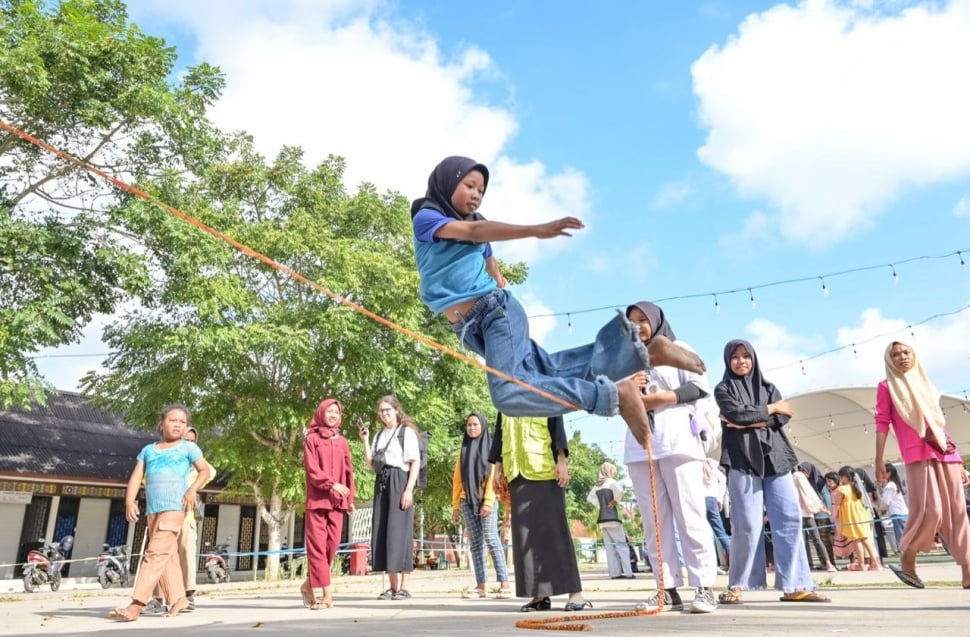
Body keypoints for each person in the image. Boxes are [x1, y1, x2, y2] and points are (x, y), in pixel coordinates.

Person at [410, 156, 705, 448]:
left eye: (481, 190)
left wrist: (534, 232)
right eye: (470, 186)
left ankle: (612, 396)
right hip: (472, 327)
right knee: (549, 371)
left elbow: (479, 238)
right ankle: (645, 352)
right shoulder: (427, 217)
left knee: (509, 395)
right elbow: (484, 252)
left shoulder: (475, 224)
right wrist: (496, 275)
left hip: (494, 313)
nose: (476, 195)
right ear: (447, 182)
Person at [713, 339, 829, 604]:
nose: (741, 361)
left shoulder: (769, 387)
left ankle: (796, 585)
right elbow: (736, 413)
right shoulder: (723, 389)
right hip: (742, 460)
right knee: (747, 524)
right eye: (735, 357)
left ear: (754, 358)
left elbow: (782, 417)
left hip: (776, 459)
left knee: (789, 518)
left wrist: (749, 418)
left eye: (746, 356)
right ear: (727, 361)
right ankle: (738, 584)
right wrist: (769, 410)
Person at [622, 301, 718, 613]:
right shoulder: (624, 357)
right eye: (631, 322)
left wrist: (660, 398)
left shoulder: (677, 347)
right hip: (640, 446)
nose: (637, 326)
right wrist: (627, 388)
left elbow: (699, 388)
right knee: (654, 522)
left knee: (689, 515)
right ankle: (666, 588)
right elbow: (612, 402)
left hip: (676, 439)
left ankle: (704, 586)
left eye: (642, 319)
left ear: (656, 320)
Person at [874, 340, 970, 589]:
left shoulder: (926, 384)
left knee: (958, 512)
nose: (902, 357)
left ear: (914, 355)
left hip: (945, 453)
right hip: (916, 456)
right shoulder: (886, 387)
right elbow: (882, 423)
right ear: (889, 360)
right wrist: (878, 460)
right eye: (895, 354)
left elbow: (939, 424)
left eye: (906, 352)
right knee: (931, 511)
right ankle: (908, 556)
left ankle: (968, 570)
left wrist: (958, 461)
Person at [111, 405, 210, 622]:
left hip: (176, 507)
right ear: (161, 424)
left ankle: (137, 604)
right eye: (173, 420)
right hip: (152, 510)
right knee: (167, 556)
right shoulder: (148, 450)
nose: (177, 424)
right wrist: (130, 500)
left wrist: (193, 489)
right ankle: (178, 598)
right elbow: (137, 478)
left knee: (154, 554)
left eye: (182, 422)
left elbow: (205, 470)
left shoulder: (188, 449)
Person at [489, 413, 590, 612]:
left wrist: (562, 461)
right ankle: (539, 595)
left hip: (545, 471)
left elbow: (557, 429)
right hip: (517, 473)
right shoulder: (505, 400)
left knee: (555, 531)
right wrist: (497, 469)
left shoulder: (544, 391)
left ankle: (575, 592)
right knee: (526, 537)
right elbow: (499, 436)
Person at [143, 426, 216, 615]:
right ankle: (157, 598)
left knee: (185, 554)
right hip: (163, 514)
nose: (189, 444)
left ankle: (187, 595)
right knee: (160, 556)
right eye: (186, 440)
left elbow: (209, 471)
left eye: (193, 442)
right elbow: (147, 479)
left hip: (186, 516)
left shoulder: (195, 467)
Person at [358, 395, 420, 600]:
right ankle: (392, 587)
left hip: (399, 480)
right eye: (381, 411)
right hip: (382, 482)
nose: (384, 414)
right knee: (383, 531)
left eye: (388, 410)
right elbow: (370, 464)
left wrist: (409, 489)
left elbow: (415, 462)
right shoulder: (378, 435)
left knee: (400, 532)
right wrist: (366, 440)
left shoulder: (406, 432)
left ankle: (404, 586)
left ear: (396, 410)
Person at [301, 399, 355, 610]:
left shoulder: (342, 441)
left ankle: (307, 585)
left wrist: (349, 499)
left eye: (336, 412)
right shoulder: (311, 439)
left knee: (330, 548)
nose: (333, 415)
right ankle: (326, 596)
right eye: (329, 411)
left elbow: (349, 471)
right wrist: (332, 484)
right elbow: (312, 470)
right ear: (321, 413)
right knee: (317, 549)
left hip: (337, 502)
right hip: (317, 501)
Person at [451, 412, 511, 599]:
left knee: (492, 539)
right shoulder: (463, 450)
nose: (471, 428)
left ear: (483, 426)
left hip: (487, 501)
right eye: (468, 425)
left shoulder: (491, 448)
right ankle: (481, 586)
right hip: (466, 501)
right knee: (476, 544)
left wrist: (487, 502)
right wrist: (455, 506)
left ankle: (505, 584)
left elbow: (493, 476)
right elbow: (458, 480)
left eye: (475, 424)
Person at [586, 462, 634, 580]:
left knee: (609, 547)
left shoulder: (597, 485)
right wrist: (615, 501)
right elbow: (620, 491)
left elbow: (589, 498)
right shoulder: (611, 482)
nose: (615, 472)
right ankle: (628, 573)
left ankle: (614, 573)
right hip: (613, 517)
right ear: (609, 470)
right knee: (622, 545)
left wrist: (600, 505)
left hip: (602, 519)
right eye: (613, 470)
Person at [832, 466, 881, 571]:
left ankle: (861, 564)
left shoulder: (842, 489)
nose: (840, 479)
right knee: (865, 539)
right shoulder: (857, 487)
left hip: (851, 516)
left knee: (856, 539)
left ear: (845, 477)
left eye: (841, 476)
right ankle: (875, 563)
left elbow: (837, 501)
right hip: (861, 514)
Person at [792, 467, 836, 572]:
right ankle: (825, 563)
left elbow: (811, 494)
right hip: (807, 512)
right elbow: (809, 494)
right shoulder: (799, 477)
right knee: (815, 540)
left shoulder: (796, 477)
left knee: (809, 540)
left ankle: (823, 563)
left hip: (804, 513)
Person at [703, 458, 731, 572]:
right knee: (720, 532)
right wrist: (719, 497)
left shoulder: (696, 464)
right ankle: (734, 561)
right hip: (712, 499)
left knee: (702, 534)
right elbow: (723, 479)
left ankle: (708, 565)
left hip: (700, 498)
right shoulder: (712, 466)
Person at [878, 463, 909, 555]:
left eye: (883, 473)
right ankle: (906, 558)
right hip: (901, 514)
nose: (881, 475)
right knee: (903, 537)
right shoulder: (894, 484)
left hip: (898, 514)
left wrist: (880, 490)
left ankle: (905, 559)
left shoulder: (890, 485)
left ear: (889, 473)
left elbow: (886, 501)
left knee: (901, 538)